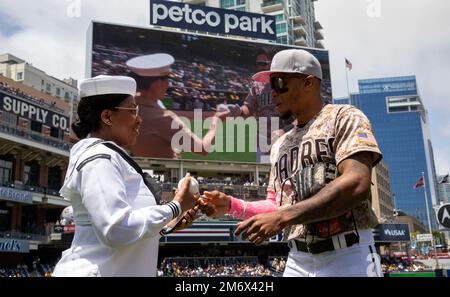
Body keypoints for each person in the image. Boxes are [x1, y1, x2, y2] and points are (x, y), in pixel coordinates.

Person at [199, 49, 383, 277]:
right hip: (297, 259)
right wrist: (231, 205)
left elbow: (357, 183)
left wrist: (284, 216)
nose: (272, 92)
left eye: (279, 82)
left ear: (308, 83)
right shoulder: (280, 144)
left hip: (349, 254)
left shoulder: (344, 117)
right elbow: (276, 205)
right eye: (270, 85)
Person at [52, 75, 198, 277]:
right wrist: (175, 207)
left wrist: (167, 226)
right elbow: (116, 229)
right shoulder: (99, 158)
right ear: (107, 117)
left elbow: (122, 240)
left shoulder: (110, 157)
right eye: (132, 110)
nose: (139, 119)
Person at [126, 53, 227, 159]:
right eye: (166, 79)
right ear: (156, 84)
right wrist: (217, 120)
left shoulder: (126, 107)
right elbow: (202, 148)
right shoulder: (162, 117)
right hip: (165, 172)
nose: (168, 84)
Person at [217, 49, 296, 163]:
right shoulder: (256, 85)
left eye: (263, 64)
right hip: (263, 136)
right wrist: (238, 111)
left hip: (285, 135)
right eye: (258, 64)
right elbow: (249, 107)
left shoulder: (285, 83)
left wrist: (284, 130)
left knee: (284, 171)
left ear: (271, 63)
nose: (260, 67)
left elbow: (299, 115)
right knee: (264, 172)